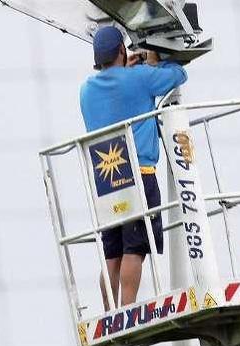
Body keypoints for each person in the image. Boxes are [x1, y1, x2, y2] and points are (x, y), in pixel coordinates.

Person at [79, 26, 188, 309]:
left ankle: (110, 311)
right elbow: (178, 75)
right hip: (139, 174)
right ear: (121, 51)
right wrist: (153, 62)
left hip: (107, 178)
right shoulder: (139, 78)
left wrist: (128, 72)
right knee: (135, 248)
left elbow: (115, 91)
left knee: (111, 252)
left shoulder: (86, 91)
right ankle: (128, 310)